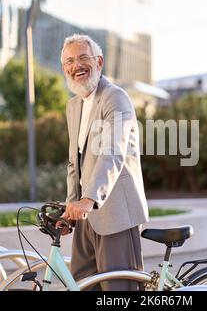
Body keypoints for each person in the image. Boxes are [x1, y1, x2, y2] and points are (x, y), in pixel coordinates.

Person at [56, 34, 149, 291]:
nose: (77, 65)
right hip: (86, 216)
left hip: (115, 213)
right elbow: (74, 163)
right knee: (83, 286)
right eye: (69, 61)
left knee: (118, 291)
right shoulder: (74, 105)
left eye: (84, 58)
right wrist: (70, 209)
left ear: (99, 61)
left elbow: (113, 152)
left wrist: (90, 199)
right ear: (64, 68)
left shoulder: (114, 97)